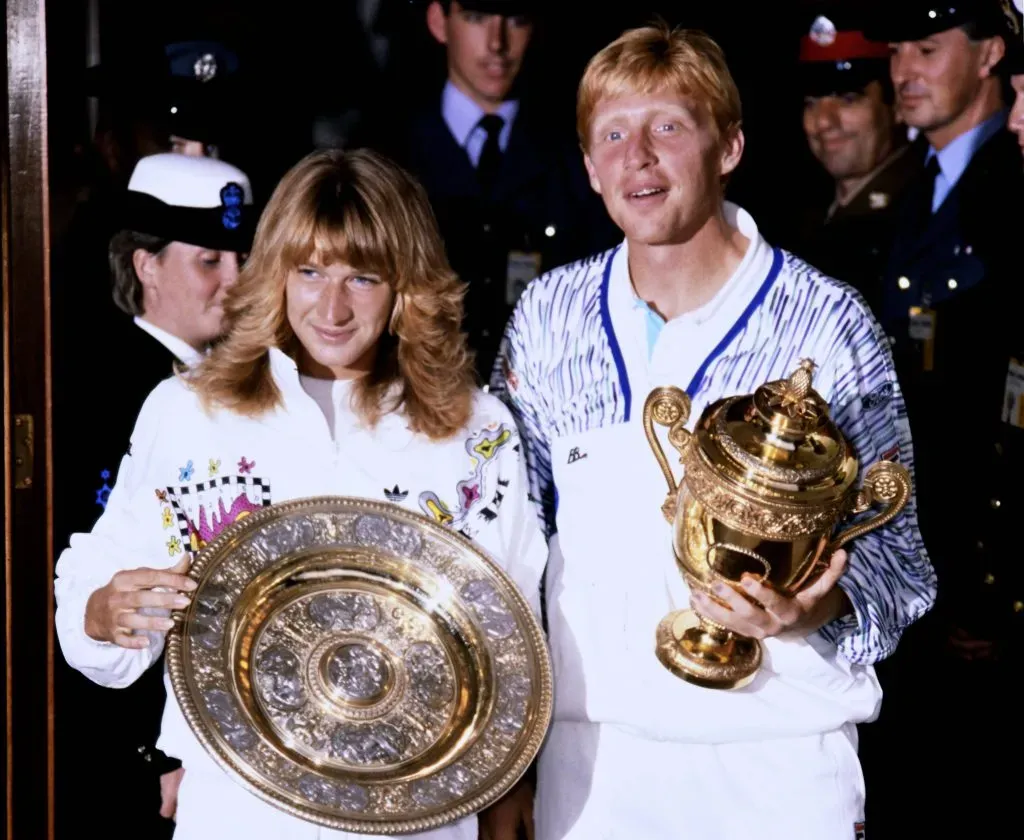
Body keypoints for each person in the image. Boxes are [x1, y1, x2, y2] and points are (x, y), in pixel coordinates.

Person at [490, 23, 936, 840]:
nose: (639, 158)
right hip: (592, 778)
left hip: (778, 767)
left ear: (728, 146)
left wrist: (806, 610)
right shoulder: (546, 318)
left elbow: (900, 566)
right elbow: (510, 545)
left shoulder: (829, 323)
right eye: (614, 135)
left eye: (668, 128)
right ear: (588, 167)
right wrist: (503, 766)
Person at [53, 148, 546, 840]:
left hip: (415, 817)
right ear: (275, 273)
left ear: (406, 284)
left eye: (363, 276)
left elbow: (516, 622)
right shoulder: (189, 411)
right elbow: (94, 601)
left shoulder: (474, 428)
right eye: (309, 271)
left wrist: (511, 778)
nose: (332, 307)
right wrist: (105, 612)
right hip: (239, 807)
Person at [52, 152, 255, 838]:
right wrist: (154, 748)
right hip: (136, 755)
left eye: (242, 259)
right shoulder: (111, 388)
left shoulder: (237, 386)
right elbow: (108, 590)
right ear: (146, 265)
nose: (235, 280)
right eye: (209, 261)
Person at [860, 1, 1024, 833]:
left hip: (982, 562)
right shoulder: (909, 178)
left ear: (993, 51)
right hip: (912, 552)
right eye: (894, 49)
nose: (901, 69)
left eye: (926, 47)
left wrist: (997, 584)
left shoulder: (1013, 177)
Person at [371, 0, 619, 380]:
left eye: (515, 19)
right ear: (439, 22)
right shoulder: (387, 155)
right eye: (476, 17)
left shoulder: (576, 158)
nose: (497, 43)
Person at [790, 5, 924, 312]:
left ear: (896, 107)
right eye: (811, 102)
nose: (823, 122)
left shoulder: (917, 208)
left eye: (847, 99)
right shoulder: (803, 211)